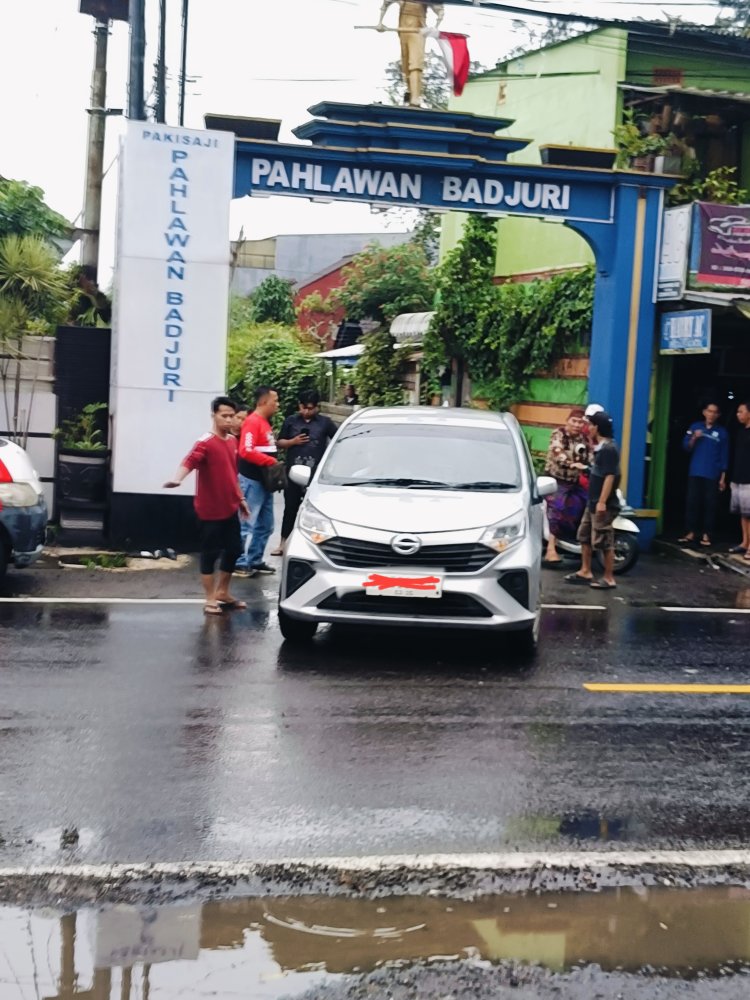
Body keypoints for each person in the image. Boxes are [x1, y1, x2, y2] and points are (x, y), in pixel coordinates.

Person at [163, 396, 250, 615]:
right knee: (210, 554)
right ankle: (210, 598)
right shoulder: (205, 442)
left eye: (232, 416)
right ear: (214, 416)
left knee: (234, 550)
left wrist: (241, 500)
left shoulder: (231, 442)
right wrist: (178, 479)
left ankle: (223, 592)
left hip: (230, 507)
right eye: (224, 416)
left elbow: (232, 475)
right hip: (209, 511)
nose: (229, 420)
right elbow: (189, 461)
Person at [271, 390, 338, 556]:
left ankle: (317, 546)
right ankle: (283, 544)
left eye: (310, 408)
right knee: (290, 508)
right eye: (303, 408)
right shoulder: (291, 421)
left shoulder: (325, 423)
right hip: (293, 472)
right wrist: (293, 442)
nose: (306, 411)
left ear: (317, 407)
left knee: (317, 510)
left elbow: (338, 441)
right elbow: (279, 442)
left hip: (316, 475)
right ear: (299, 405)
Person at [565, 410, 621, 590]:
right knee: (584, 535)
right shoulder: (601, 447)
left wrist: (603, 501)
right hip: (593, 501)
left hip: (601, 503)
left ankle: (609, 577)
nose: (587, 428)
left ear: (597, 427)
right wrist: (586, 468)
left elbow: (610, 476)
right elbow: (599, 472)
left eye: (590, 425)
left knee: (604, 540)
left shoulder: (609, 449)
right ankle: (585, 570)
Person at [235, 386, 280, 577]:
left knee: (266, 524)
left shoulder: (264, 423)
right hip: (252, 479)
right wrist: (270, 461)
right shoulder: (253, 422)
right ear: (263, 402)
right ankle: (238, 561)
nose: (277, 405)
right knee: (246, 523)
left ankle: (255, 559)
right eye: (274, 401)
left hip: (264, 481)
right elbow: (246, 450)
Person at [542, 407, 591, 567]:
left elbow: (590, 457)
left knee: (585, 504)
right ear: (567, 421)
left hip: (574, 482)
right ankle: (551, 549)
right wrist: (571, 463)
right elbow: (557, 452)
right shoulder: (559, 434)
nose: (577, 425)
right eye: (574, 421)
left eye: (580, 422)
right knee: (557, 508)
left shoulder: (584, 439)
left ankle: (575, 544)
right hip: (555, 480)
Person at [677, 401, 729, 548]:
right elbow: (686, 447)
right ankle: (690, 532)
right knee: (692, 502)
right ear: (704, 412)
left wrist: (723, 478)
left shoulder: (722, 433)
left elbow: (724, 456)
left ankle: (707, 534)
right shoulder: (695, 427)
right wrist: (694, 437)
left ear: (718, 415)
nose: (711, 414)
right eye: (709, 411)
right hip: (695, 471)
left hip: (712, 473)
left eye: (714, 412)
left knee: (710, 504)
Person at [377, 2, 444, 106]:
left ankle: (415, 97)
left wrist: (435, 27)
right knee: (406, 65)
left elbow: (440, 10)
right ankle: (410, 91)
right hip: (403, 30)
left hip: (418, 31)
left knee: (416, 64)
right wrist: (380, 23)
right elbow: (385, 4)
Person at [729, 400, 750, 561]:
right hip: (738, 477)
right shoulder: (741, 431)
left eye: (741, 411)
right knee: (743, 513)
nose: (738, 414)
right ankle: (744, 542)